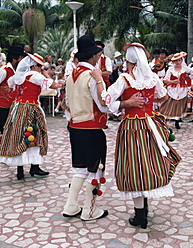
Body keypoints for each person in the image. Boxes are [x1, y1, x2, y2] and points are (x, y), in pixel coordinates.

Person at [62, 35, 144, 221]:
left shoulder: (70, 77)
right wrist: (125, 103)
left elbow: (67, 103)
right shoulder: (92, 76)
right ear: (93, 56)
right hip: (92, 128)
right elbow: (103, 105)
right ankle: (89, 211)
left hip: (75, 127)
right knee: (95, 169)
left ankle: (71, 205)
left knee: (79, 168)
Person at [103, 42, 181, 229]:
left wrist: (126, 103)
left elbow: (107, 100)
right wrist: (149, 101)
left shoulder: (125, 79)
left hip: (132, 126)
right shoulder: (153, 77)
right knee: (149, 163)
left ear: (128, 61)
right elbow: (164, 96)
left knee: (134, 167)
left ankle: (140, 214)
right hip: (151, 124)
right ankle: (144, 207)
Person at [0, 53, 63, 180]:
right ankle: (34, 166)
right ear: (35, 66)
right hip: (31, 107)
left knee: (18, 134)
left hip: (17, 108)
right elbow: (53, 85)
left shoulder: (18, 76)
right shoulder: (36, 76)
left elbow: (11, 86)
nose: (41, 69)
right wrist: (46, 74)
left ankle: (20, 170)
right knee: (35, 133)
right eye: (40, 66)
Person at [0, 46, 25, 134]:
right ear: (14, 59)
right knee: (6, 131)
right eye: (21, 58)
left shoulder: (18, 71)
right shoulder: (3, 71)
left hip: (15, 104)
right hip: (3, 104)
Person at [160, 52, 193, 129]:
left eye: (179, 60)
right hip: (173, 89)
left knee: (180, 105)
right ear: (173, 62)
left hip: (182, 89)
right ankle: (166, 120)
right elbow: (165, 80)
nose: (178, 62)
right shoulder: (170, 69)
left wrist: (187, 77)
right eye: (176, 61)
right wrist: (173, 82)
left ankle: (177, 121)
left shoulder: (185, 68)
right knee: (170, 104)